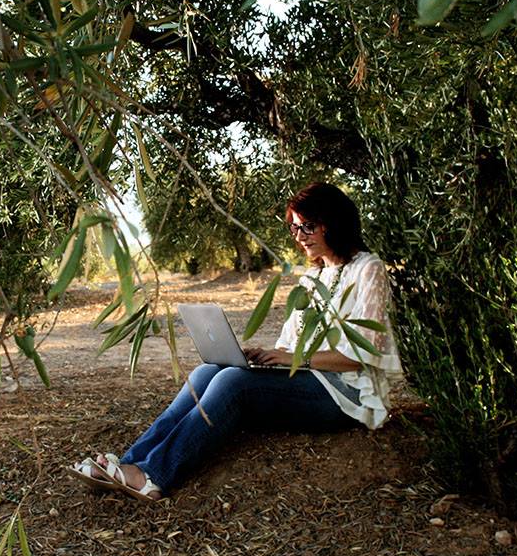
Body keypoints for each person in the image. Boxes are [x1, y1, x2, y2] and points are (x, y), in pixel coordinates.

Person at [70, 182, 402, 501]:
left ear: (334, 222)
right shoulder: (312, 278)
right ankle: (126, 463)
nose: (300, 237)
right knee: (206, 372)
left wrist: (291, 359)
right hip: (309, 380)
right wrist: (267, 355)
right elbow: (292, 347)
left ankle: (155, 475)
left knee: (234, 382)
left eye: (309, 226)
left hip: (347, 397)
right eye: (294, 228)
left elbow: (362, 353)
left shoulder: (367, 269)